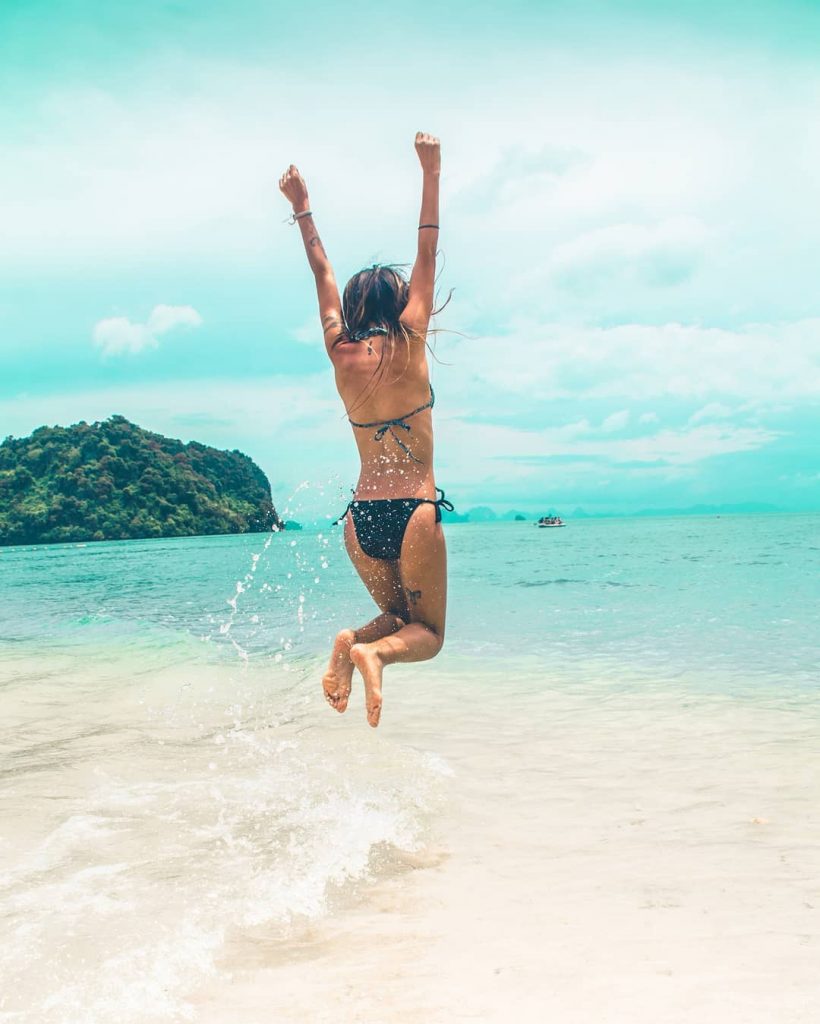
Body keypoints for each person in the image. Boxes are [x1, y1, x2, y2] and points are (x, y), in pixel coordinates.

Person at [279, 132, 450, 728]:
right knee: (428, 633)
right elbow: (427, 248)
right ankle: (371, 655)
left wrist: (302, 207)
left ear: (352, 310)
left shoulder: (339, 350)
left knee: (398, 617)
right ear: (399, 302)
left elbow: (321, 271)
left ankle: (352, 643)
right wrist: (431, 171)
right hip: (414, 510)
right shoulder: (411, 337)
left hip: (361, 518)